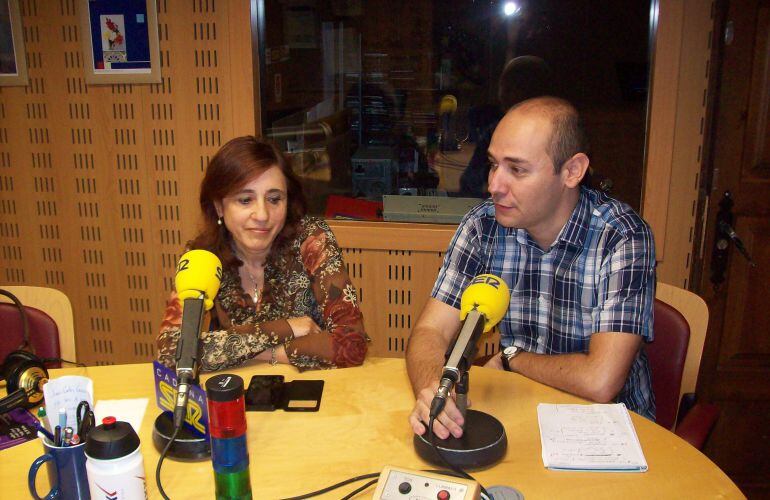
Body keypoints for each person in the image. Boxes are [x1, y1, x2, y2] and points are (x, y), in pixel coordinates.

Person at [407, 97, 655, 440]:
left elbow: (601, 382)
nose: (494, 185)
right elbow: (429, 333)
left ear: (572, 171)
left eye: (517, 170)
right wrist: (434, 389)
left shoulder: (622, 236)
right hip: (521, 416)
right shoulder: (482, 227)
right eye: (494, 165)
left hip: (608, 433)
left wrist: (512, 358)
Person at [157, 136, 368, 371]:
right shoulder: (202, 258)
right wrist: (288, 327)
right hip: (237, 395)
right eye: (245, 200)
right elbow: (171, 351)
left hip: (313, 392)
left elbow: (352, 344)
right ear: (219, 205)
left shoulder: (311, 240)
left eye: (274, 199)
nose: (262, 214)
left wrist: (265, 352)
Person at [459, 56, 554, 197]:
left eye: (512, 88)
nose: (503, 94)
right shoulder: (495, 131)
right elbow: (470, 183)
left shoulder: (560, 136)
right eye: (503, 87)